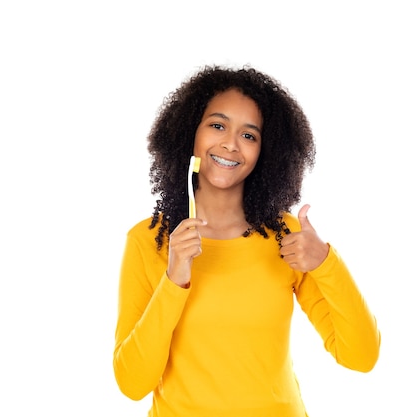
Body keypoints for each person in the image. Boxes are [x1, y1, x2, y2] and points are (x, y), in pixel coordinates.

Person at [113, 65, 381, 417]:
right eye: (217, 125)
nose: (230, 143)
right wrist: (174, 278)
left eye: (249, 135)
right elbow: (132, 384)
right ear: (188, 133)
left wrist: (325, 261)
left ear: (265, 153)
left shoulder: (287, 237)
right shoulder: (147, 241)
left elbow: (361, 357)